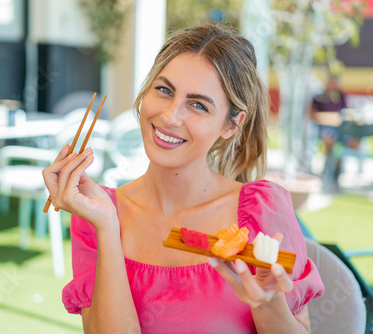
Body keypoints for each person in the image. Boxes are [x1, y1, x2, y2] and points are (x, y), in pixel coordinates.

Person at [43, 23, 324, 334]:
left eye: (198, 105)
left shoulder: (263, 210)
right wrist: (108, 226)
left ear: (231, 125)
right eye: (164, 90)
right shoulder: (97, 215)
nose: (169, 117)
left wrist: (267, 304)